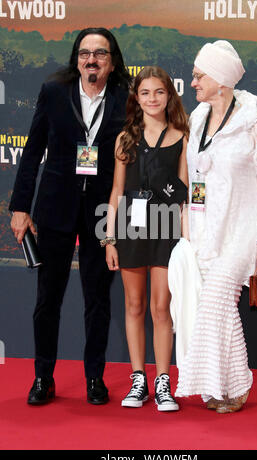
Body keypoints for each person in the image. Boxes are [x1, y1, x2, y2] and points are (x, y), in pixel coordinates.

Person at [9, 27, 131, 405]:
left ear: (112, 62)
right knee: (49, 298)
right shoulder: (53, 92)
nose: (91, 59)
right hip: (56, 207)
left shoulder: (127, 98)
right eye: (84, 53)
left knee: (98, 299)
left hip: (102, 211)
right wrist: (19, 207)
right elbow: (32, 152)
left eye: (100, 53)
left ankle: (95, 377)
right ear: (76, 58)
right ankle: (42, 377)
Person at [174, 40, 257, 413]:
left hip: (244, 230)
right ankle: (225, 388)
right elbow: (195, 180)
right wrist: (187, 227)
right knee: (221, 311)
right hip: (206, 231)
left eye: (198, 75)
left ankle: (221, 382)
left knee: (216, 302)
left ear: (221, 79)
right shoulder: (196, 118)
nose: (192, 83)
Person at [102, 66, 189, 411]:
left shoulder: (183, 135)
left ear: (170, 96)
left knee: (160, 307)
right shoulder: (125, 138)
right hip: (131, 229)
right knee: (134, 305)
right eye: (145, 93)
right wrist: (109, 239)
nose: (152, 99)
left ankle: (163, 381)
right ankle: (138, 379)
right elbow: (117, 192)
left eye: (159, 92)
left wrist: (186, 241)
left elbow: (183, 194)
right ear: (136, 99)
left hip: (167, 230)